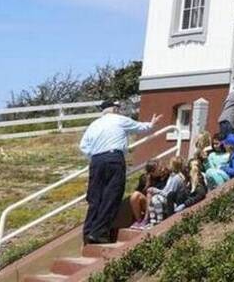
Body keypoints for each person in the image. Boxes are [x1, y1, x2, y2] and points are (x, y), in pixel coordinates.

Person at [78, 101, 160, 244]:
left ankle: (88, 232)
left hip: (96, 161)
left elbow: (83, 146)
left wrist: (96, 155)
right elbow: (140, 127)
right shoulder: (120, 120)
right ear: (115, 109)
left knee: (95, 198)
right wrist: (151, 124)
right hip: (113, 159)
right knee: (111, 196)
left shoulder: (94, 125)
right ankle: (99, 232)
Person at [144, 156, 185, 227]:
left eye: (170, 164)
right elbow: (165, 190)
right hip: (167, 200)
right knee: (155, 198)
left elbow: (169, 195)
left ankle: (159, 221)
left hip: (174, 203)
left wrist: (156, 191)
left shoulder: (177, 178)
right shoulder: (172, 176)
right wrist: (156, 191)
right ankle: (153, 221)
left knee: (156, 198)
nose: (168, 166)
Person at [129, 159, 166, 226]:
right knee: (135, 195)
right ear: (152, 172)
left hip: (159, 204)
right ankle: (139, 220)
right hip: (148, 204)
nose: (161, 169)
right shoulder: (144, 178)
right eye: (159, 169)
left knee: (150, 193)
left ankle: (146, 219)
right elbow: (139, 192)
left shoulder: (164, 176)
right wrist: (147, 186)